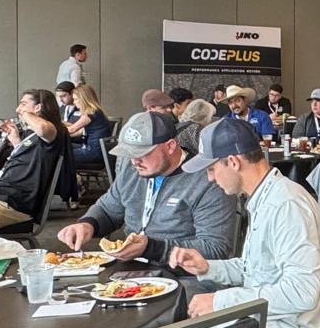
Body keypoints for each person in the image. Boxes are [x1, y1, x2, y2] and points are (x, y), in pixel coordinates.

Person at [168, 119, 320, 328]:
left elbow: (302, 293)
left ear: (233, 162)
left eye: (211, 169)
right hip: (266, 326)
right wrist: (209, 267)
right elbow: (256, 269)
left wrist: (220, 301)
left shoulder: (285, 205)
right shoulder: (266, 196)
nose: (209, 179)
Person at [56, 110, 236, 265]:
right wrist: (88, 224)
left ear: (170, 146)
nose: (135, 161)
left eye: (142, 153)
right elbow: (108, 208)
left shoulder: (207, 181)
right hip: (129, 267)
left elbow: (215, 248)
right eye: (130, 153)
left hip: (181, 274)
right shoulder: (132, 168)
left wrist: (152, 249)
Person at [0, 89, 68, 234]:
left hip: (11, 205)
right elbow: (30, 160)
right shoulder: (32, 135)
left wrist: (26, 113)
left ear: (38, 107)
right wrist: (16, 141)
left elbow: (43, 128)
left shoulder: (53, 132)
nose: (18, 109)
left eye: (23, 104)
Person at [65, 83, 113, 170]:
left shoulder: (90, 113)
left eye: (76, 99)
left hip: (93, 152)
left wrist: (52, 131)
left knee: (60, 156)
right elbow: (79, 131)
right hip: (98, 151)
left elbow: (72, 129)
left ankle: (70, 181)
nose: (74, 102)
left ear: (83, 99)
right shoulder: (95, 111)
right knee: (66, 147)